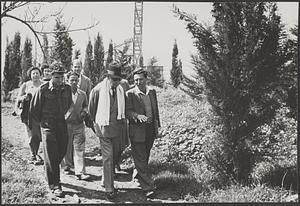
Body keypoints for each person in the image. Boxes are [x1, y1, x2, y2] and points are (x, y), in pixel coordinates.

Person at [30, 61, 72, 197]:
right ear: (51, 76)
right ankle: (55, 185)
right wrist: (42, 125)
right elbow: (34, 110)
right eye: (57, 77)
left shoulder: (67, 89)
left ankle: (49, 170)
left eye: (61, 77)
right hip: (47, 126)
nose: (60, 80)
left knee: (62, 151)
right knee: (52, 155)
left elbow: (69, 104)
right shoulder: (43, 90)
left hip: (61, 124)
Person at [88, 62, 126, 199]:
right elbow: (91, 111)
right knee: (108, 157)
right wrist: (95, 126)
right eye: (114, 79)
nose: (116, 82)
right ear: (108, 77)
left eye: (118, 79)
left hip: (117, 130)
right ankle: (109, 189)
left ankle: (105, 178)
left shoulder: (121, 90)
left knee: (115, 156)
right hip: (103, 129)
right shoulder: (98, 90)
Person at [125, 67, 161, 198]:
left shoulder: (152, 92)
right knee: (140, 157)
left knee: (145, 156)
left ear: (146, 79)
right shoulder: (130, 94)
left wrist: (157, 127)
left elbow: (155, 110)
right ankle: (147, 187)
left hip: (150, 129)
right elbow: (127, 112)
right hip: (137, 130)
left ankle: (137, 174)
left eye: (140, 80)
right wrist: (137, 116)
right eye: (135, 80)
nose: (138, 82)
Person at [61, 71, 90, 181]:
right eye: (71, 80)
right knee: (66, 146)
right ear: (67, 81)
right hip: (65, 125)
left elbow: (86, 105)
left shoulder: (82, 94)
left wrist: (84, 111)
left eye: (76, 80)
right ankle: (66, 165)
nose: (74, 82)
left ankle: (80, 171)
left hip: (78, 124)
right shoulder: (63, 93)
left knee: (79, 148)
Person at [16, 66, 44, 165]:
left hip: (41, 114)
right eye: (33, 73)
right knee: (31, 135)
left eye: (37, 73)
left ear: (40, 74)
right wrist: (25, 98)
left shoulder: (44, 85)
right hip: (29, 114)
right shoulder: (26, 85)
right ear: (30, 75)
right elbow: (19, 97)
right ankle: (33, 154)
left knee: (39, 134)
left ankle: (38, 154)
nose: (35, 75)